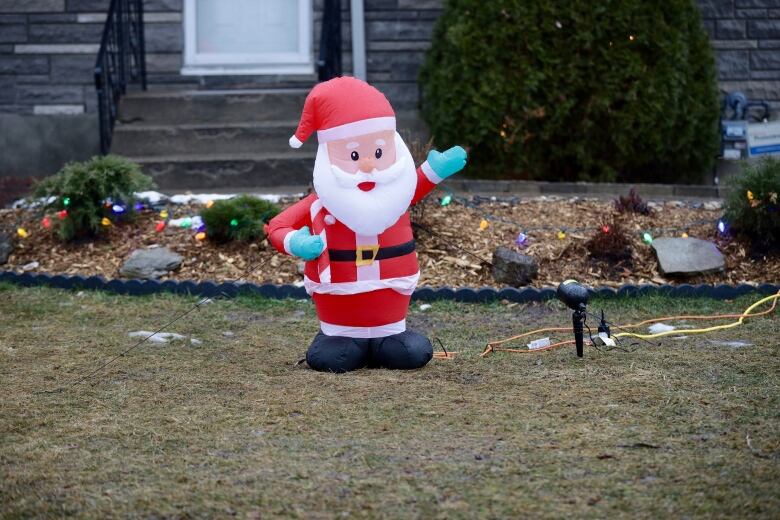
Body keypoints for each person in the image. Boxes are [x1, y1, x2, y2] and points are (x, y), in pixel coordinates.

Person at [267, 77, 467, 373]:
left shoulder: (395, 195)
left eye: (377, 153)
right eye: (353, 155)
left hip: (392, 309)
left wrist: (434, 170)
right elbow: (277, 225)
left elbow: (414, 185)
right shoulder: (321, 203)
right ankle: (343, 337)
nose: (368, 166)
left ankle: (390, 336)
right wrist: (295, 242)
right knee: (334, 356)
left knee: (408, 353)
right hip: (339, 314)